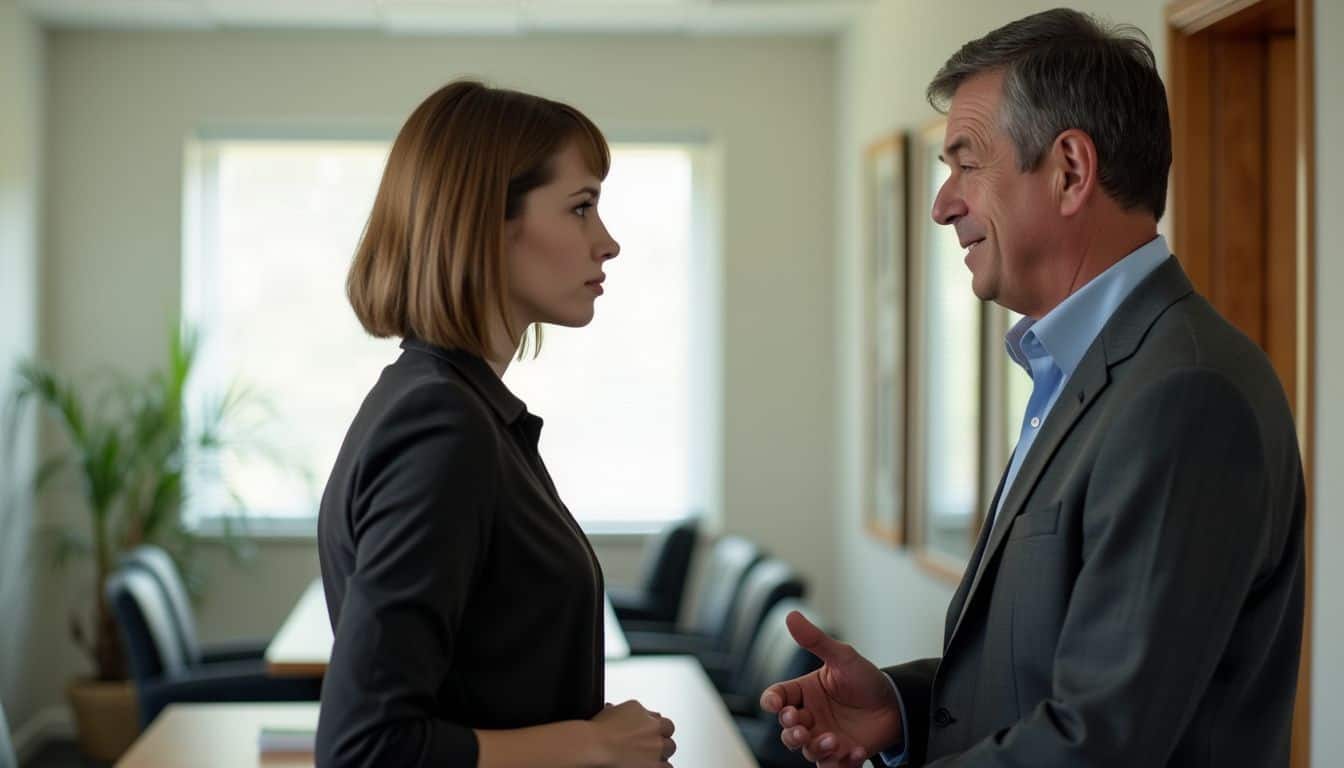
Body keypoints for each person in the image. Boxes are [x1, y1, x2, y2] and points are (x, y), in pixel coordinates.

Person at [762, 9, 1305, 767]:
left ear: (1071, 172)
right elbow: (1044, 670)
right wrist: (901, 708)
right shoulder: (1085, 368)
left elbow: (1103, 740)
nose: (942, 203)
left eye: (966, 163)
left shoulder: (1186, 395)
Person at [315, 80, 677, 768]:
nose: (608, 243)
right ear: (486, 222)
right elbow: (364, 749)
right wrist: (589, 744)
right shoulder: (441, 424)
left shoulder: (456, 405)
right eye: (582, 207)